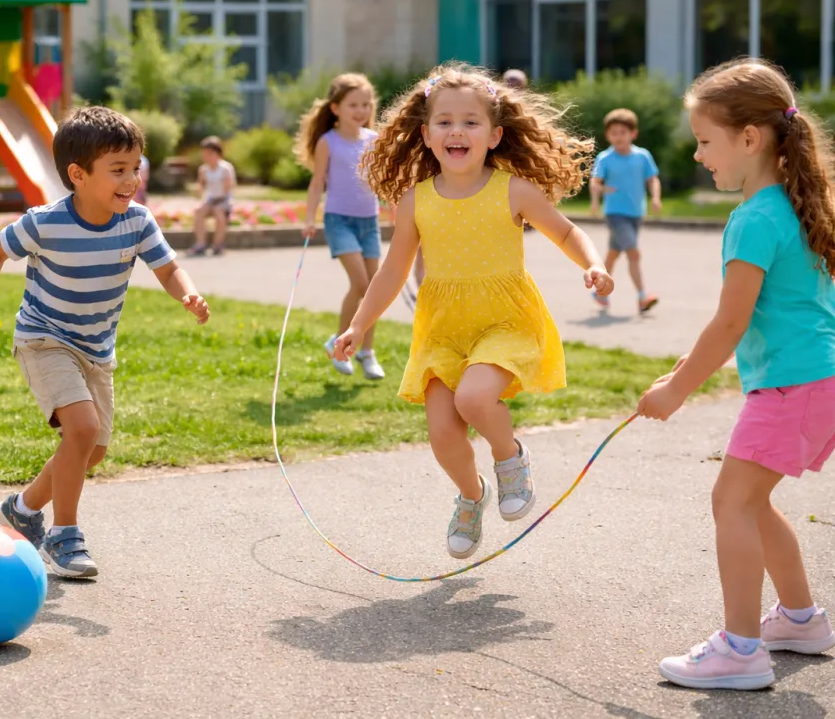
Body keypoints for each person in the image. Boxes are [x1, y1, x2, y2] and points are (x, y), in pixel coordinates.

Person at [331, 64, 613, 559]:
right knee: (442, 432)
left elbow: (568, 232)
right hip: (443, 329)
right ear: (425, 134)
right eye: (443, 122)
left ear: (495, 134)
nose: (456, 131)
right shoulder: (414, 200)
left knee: (476, 400)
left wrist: (591, 264)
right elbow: (393, 271)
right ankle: (471, 496)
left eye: (470, 122)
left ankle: (511, 458)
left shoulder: (512, 188)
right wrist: (359, 324)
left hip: (504, 320)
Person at [640, 60, 835, 691]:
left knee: (731, 500)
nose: (698, 156)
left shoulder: (753, 219)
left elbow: (729, 325)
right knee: (751, 500)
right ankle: (801, 622)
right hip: (816, 384)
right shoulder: (792, 205)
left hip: (792, 388)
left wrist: (675, 389)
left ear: (749, 138)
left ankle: (741, 650)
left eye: (704, 141)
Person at [0, 106, 210, 579]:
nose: (131, 179)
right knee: (82, 430)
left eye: (136, 167)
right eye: (118, 170)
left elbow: (169, 268)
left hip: (96, 349)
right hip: (44, 339)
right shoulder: (45, 223)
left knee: (92, 450)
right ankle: (63, 534)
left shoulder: (137, 222)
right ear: (78, 174)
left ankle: (23, 510)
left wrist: (187, 292)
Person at [299, 72, 386, 380]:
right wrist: (310, 218)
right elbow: (317, 183)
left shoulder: (373, 140)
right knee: (362, 284)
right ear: (335, 108)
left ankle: (366, 352)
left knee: (374, 289)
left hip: (369, 221)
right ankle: (340, 344)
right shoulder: (328, 142)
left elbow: (380, 182)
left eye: (365, 104)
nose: (361, 110)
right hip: (339, 220)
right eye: (353, 104)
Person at [589, 108, 662, 312]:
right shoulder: (605, 158)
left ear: (633, 134)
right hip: (615, 213)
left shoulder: (643, 156)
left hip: (636, 214)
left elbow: (652, 179)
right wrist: (597, 198)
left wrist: (655, 197)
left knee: (613, 254)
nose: (618, 136)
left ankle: (598, 292)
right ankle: (642, 296)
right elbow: (595, 182)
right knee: (633, 253)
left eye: (623, 132)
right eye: (614, 133)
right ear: (607, 135)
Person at [188, 136, 236, 256]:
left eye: (209, 153)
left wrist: (218, 200)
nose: (206, 157)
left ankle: (217, 244)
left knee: (219, 213)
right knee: (199, 211)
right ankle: (201, 243)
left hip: (223, 200)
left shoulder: (225, 168)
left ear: (217, 153)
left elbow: (229, 187)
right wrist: (198, 190)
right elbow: (201, 186)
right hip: (211, 199)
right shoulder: (203, 169)